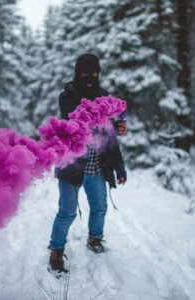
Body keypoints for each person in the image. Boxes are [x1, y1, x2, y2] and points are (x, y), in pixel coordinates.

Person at [48, 53, 127, 275]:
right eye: (84, 73)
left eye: (93, 73)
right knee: (67, 212)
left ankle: (95, 239)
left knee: (100, 207)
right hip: (71, 165)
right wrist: (106, 116)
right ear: (77, 73)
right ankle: (55, 252)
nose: (89, 77)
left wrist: (119, 165)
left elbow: (110, 137)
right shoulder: (67, 96)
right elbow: (75, 122)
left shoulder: (105, 97)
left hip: (97, 166)